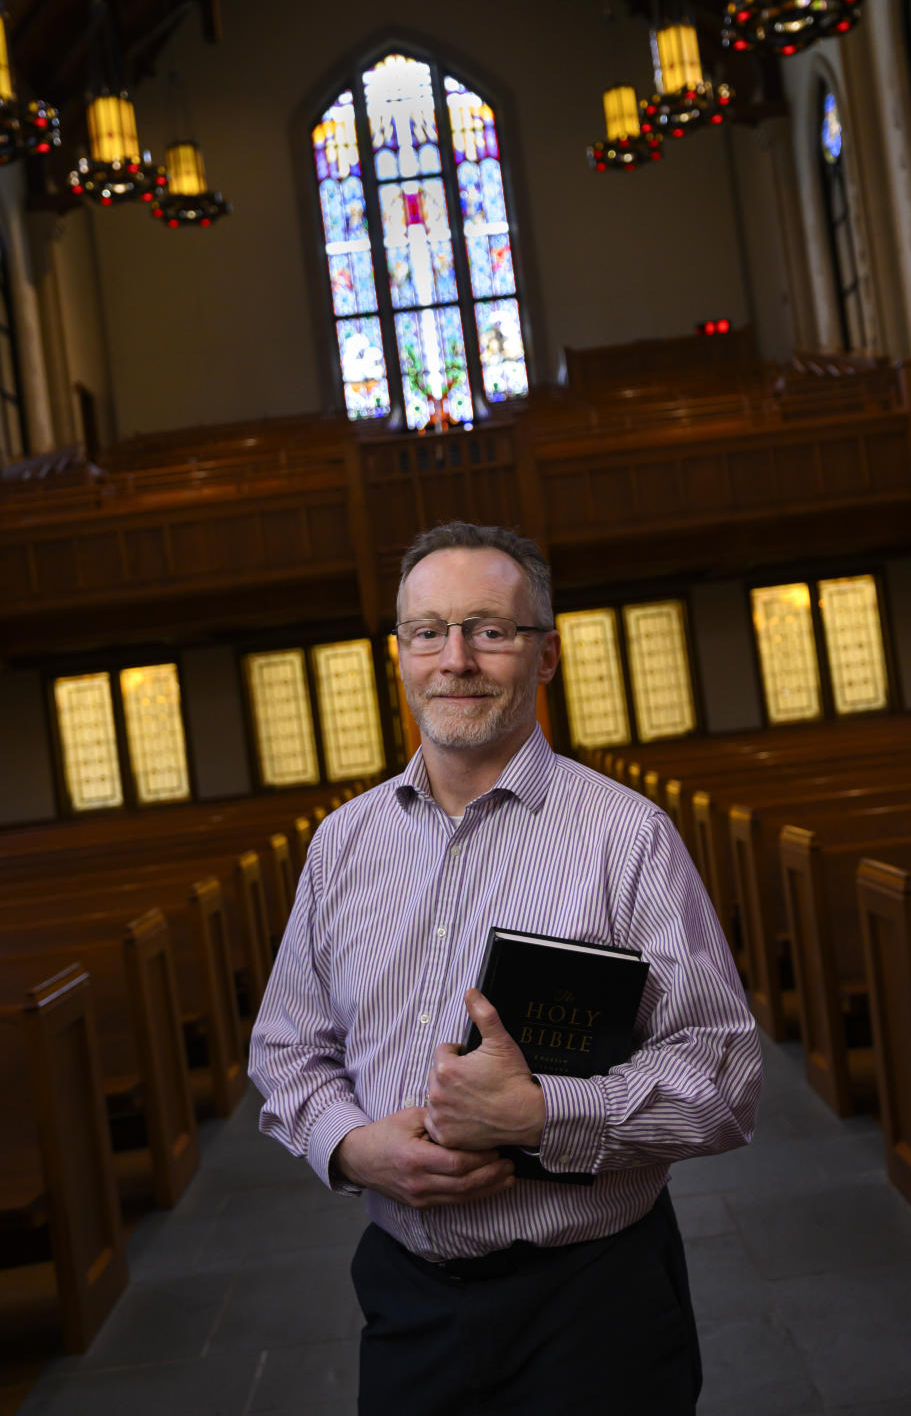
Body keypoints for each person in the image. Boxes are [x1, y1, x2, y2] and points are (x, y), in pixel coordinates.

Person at [249, 521, 762, 1415]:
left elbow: (723, 1072)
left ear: (546, 654)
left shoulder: (626, 836)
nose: (456, 659)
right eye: (428, 632)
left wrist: (543, 1114)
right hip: (408, 1300)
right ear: (399, 656)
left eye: (490, 629)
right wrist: (353, 1147)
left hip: (596, 1300)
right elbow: (288, 1049)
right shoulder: (342, 845)